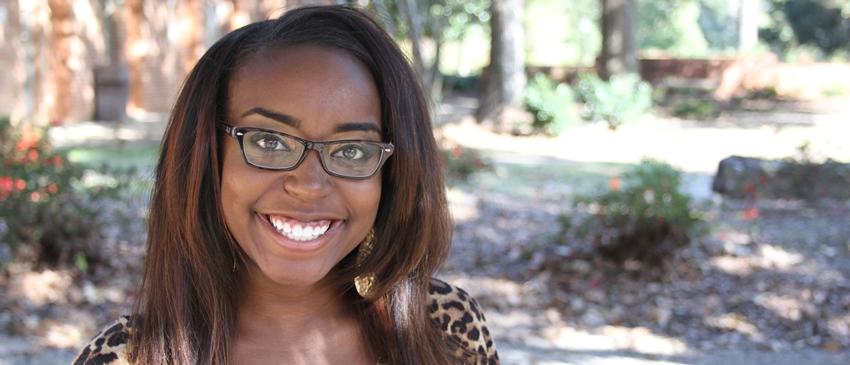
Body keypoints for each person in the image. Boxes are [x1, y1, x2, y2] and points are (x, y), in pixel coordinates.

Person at [72, 5, 498, 365]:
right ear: (206, 158)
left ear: (394, 172)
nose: (309, 185)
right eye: (269, 141)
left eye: (352, 150)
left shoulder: (444, 330)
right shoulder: (131, 356)